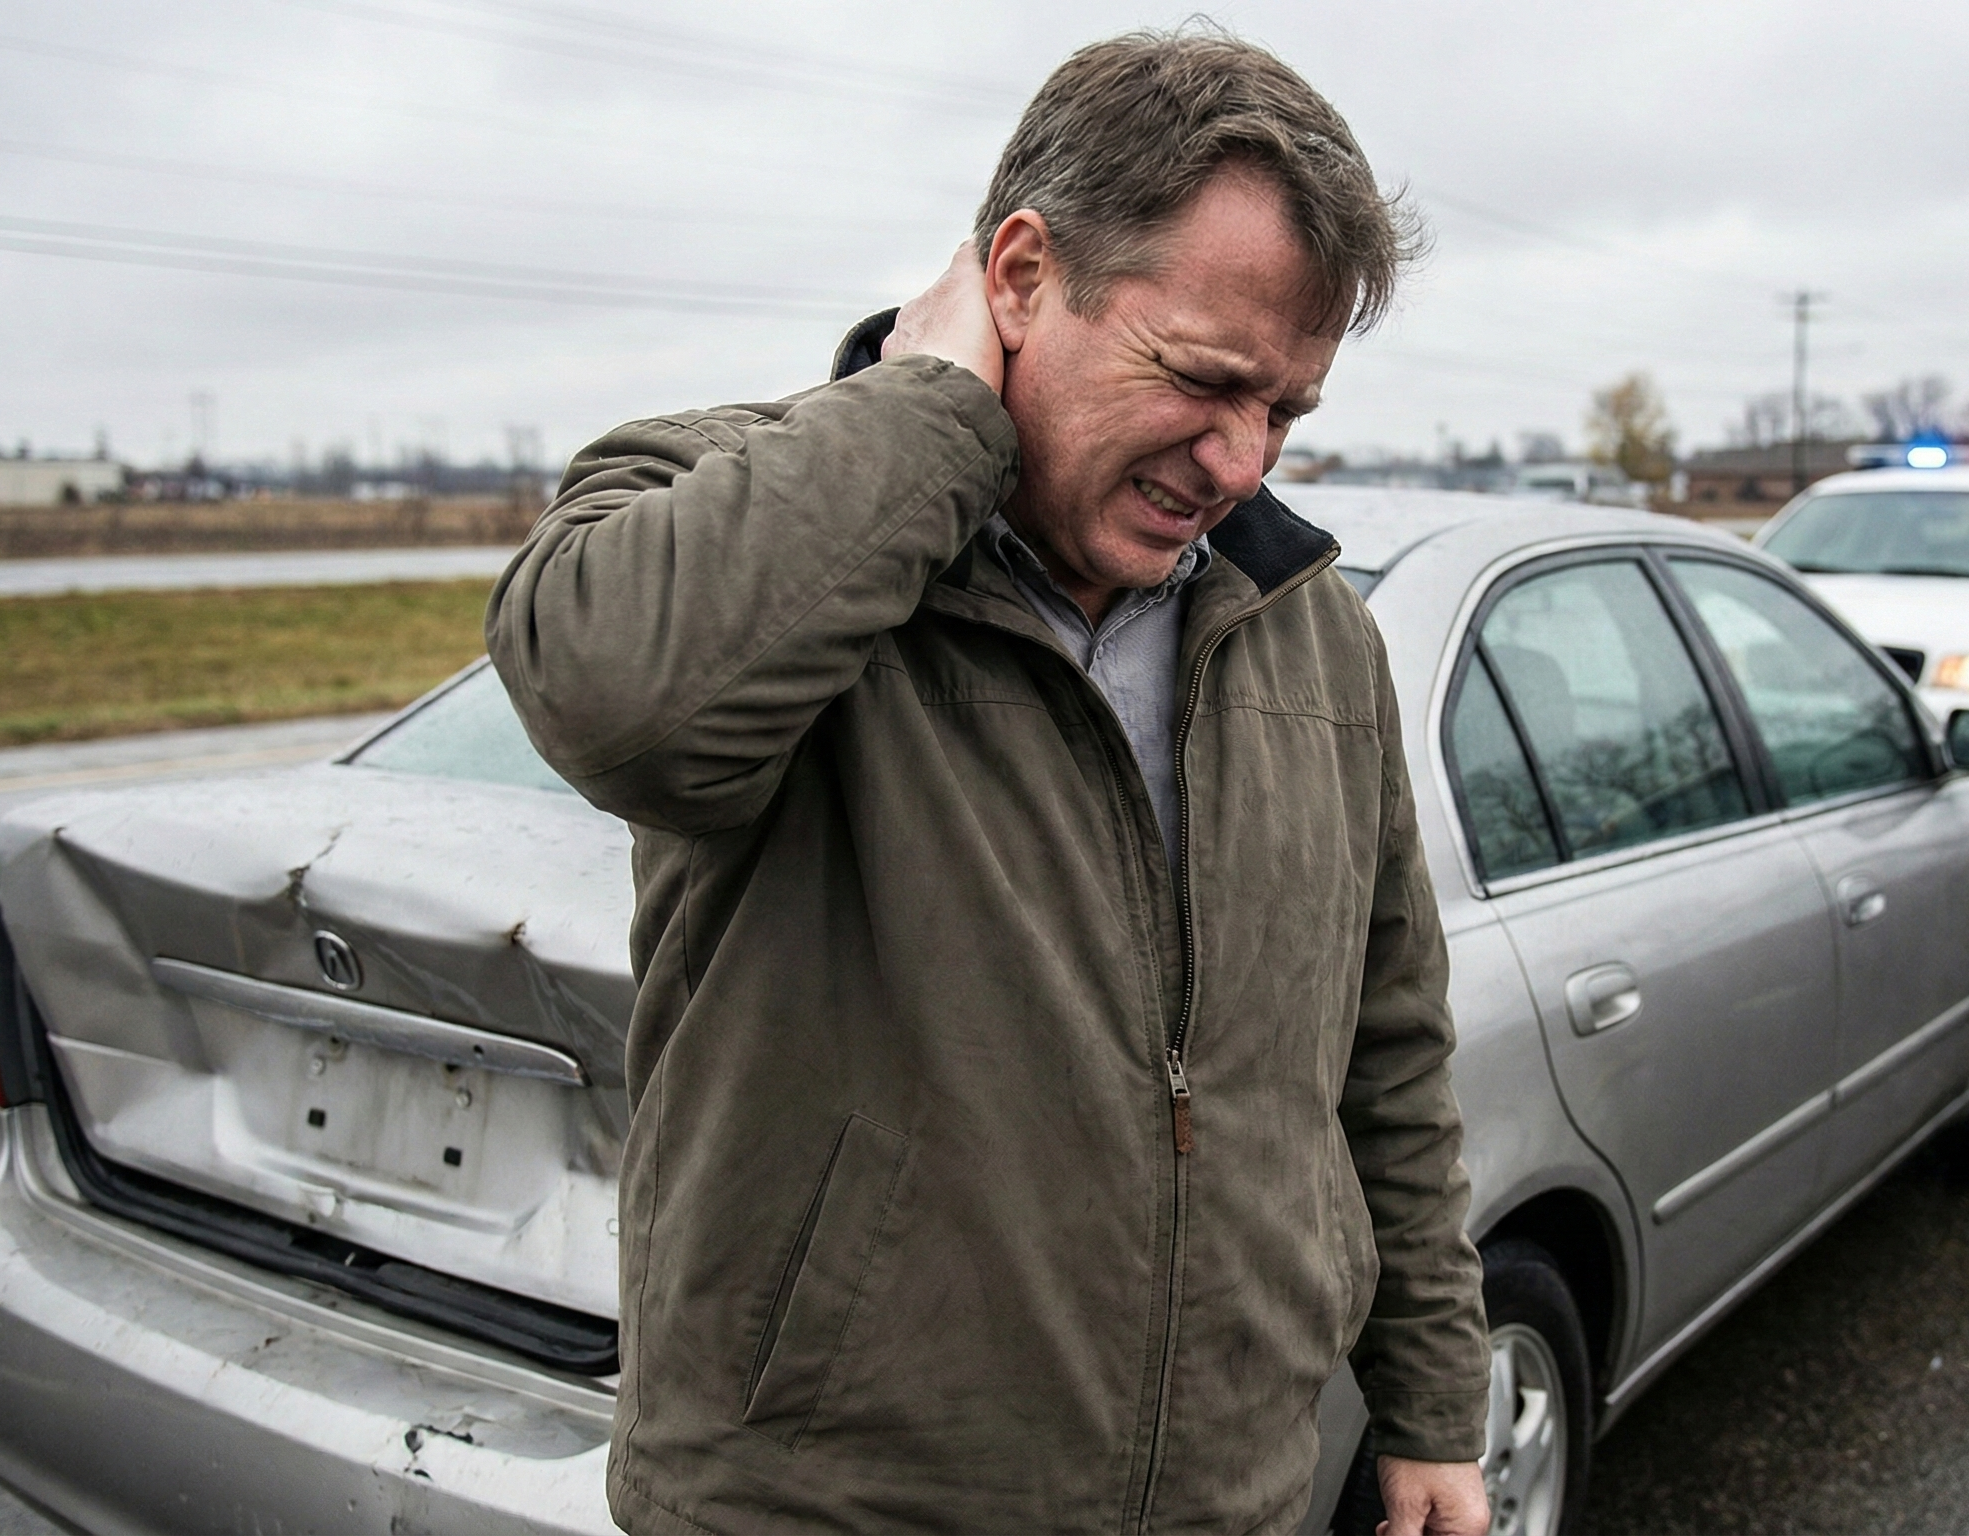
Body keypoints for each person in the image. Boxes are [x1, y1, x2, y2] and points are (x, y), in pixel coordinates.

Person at [489, 28, 1490, 1536]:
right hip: (831, 1505)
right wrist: (934, 408)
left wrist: (1430, 1406)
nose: (1239, 461)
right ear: (1018, 277)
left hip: (1229, 1489)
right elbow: (626, 709)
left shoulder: (1308, 627)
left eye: (1284, 411)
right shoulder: (732, 495)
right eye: (1206, 379)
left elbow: (1387, 1046)